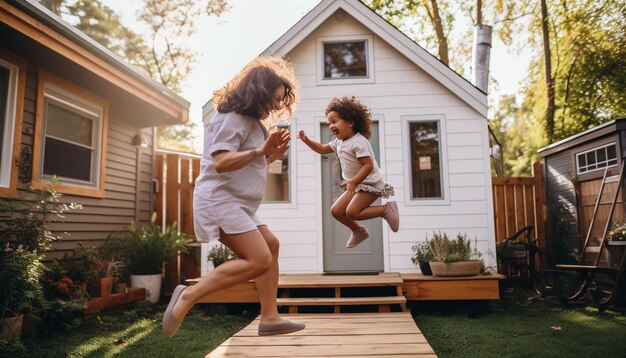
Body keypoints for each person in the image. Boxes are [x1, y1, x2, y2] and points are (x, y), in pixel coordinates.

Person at [162, 56, 305, 337]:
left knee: (271, 246)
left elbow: (245, 164)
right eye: (275, 99)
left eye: (280, 100)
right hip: (220, 200)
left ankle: (270, 318)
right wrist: (262, 152)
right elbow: (222, 162)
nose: (278, 105)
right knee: (259, 259)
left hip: (238, 203)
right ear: (259, 91)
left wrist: (270, 156)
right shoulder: (231, 119)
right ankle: (189, 295)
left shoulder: (253, 124)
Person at [298, 96, 399, 249]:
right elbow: (321, 149)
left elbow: (368, 166)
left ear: (350, 122)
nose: (331, 126)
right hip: (357, 184)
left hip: (371, 183)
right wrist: (306, 140)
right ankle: (358, 231)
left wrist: (353, 182)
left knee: (352, 212)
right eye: (329, 123)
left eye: (334, 121)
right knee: (336, 211)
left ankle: (386, 210)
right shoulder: (339, 142)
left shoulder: (359, 142)